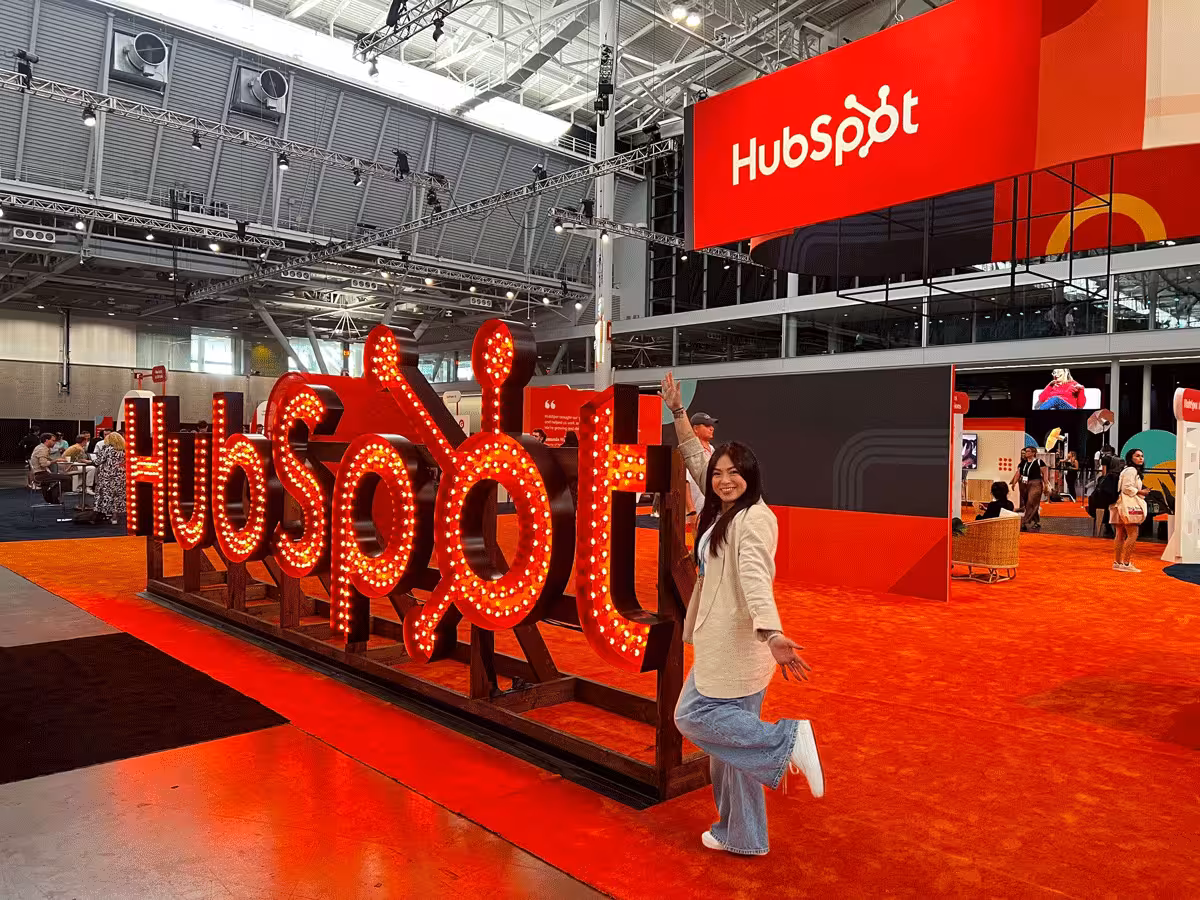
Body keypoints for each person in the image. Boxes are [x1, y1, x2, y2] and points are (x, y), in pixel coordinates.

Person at [660, 373, 823, 858]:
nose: (724, 480)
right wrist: (678, 413)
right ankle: (743, 835)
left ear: (752, 475)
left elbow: (755, 579)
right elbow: (695, 460)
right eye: (719, 473)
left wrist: (772, 632)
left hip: (737, 646)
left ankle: (787, 739)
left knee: (692, 716)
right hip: (727, 643)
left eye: (734, 473)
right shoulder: (721, 508)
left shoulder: (754, 519)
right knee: (732, 748)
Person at [1111, 448, 1149, 573]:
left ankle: (1118, 562)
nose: (1141, 458)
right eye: (1137, 456)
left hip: (1119, 504)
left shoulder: (1127, 470)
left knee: (1120, 534)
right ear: (1130, 458)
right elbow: (1126, 488)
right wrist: (1140, 491)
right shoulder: (1131, 470)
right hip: (1127, 504)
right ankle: (1126, 563)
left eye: (1142, 456)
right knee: (1133, 533)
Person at [686, 413, 718, 517]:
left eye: (712, 425)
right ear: (696, 429)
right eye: (707, 426)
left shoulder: (713, 450)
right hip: (696, 510)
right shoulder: (690, 451)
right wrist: (691, 510)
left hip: (711, 509)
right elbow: (685, 482)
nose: (712, 428)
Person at [29, 433, 74, 503]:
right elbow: (43, 464)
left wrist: (56, 460)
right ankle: (53, 495)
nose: (55, 442)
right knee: (67, 478)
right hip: (41, 474)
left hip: (40, 473)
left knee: (61, 476)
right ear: (47, 440)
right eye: (53, 440)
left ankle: (50, 497)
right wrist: (55, 461)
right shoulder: (42, 449)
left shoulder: (40, 447)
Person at [93, 431, 127, 525]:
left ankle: (105, 513)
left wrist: (89, 461)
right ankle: (115, 516)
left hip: (108, 476)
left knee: (107, 495)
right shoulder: (124, 450)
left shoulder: (107, 449)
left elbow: (98, 461)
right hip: (121, 476)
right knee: (118, 496)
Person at [1011, 447, 1046, 531]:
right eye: (1025, 451)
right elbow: (1018, 473)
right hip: (1024, 484)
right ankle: (1036, 522)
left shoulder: (1039, 462)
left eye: (1028, 451)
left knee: (1031, 502)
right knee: (1029, 503)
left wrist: (1046, 484)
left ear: (1033, 453)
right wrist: (1014, 483)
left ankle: (1024, 522)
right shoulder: (1023, 463)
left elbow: (1045, 473)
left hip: (1036, 484)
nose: (1026, 453)